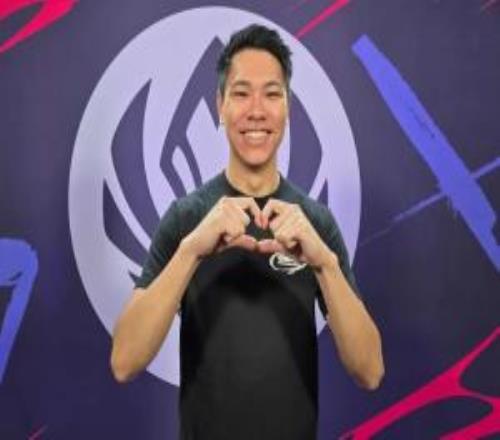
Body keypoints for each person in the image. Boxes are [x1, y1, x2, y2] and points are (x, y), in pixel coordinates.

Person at [110, 24, 384, 440]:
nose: (256, 110)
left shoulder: (314, 223)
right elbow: (124, 361)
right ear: (219, 106)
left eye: (272, 94)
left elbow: (370, 371)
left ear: (288, 108)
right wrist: (190, 252)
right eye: (241, 93)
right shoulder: (187, 217)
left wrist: (325, 264)